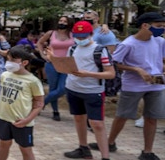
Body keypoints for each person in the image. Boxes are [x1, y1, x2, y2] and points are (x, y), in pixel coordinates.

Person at [88, 12, 165, 160]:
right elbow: (115, 63)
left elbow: (162, 59)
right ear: (145, 25)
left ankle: (147, 151)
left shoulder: (160, 42)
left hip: (156, 85)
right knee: (123, 115)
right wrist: (136, 69)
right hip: (133, 85)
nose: (162, 30)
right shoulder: (128, 44)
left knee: (151, 118)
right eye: (159, 26)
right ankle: (110, 142)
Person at [46, 21, 115, 160]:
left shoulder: (100, 50)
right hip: (73, 88)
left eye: (84, 37)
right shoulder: (72, 49)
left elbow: (110, 73)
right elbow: (66, 66)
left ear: (90, 35)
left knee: (97, 124)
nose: (81, 39)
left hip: (93, 91)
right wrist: (53, 59)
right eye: (78, 36)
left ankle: (105, 156)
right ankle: (83, 148)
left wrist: (89, 74)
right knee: (78, 118)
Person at [0, 45, 45, 160]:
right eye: (8, 59)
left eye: (13, 60)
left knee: (25, 149)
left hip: (22, 121)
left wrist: (27, 120)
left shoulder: (33, 81)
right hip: (4, 118)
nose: (9, 62)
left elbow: (39, 103)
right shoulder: (5, 75)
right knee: (4, 144)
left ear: (24, 62)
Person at [36, 16, 74, 121]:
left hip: (66, 63)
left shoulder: (73, 34)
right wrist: (43, 55)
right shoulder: (51, 33)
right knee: (53, 87)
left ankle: (42, 102)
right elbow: (39, 43)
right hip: (52, 63)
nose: (62, 22)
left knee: (62, 88)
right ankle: (55, 111)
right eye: (60, 20)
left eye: (65, 21)